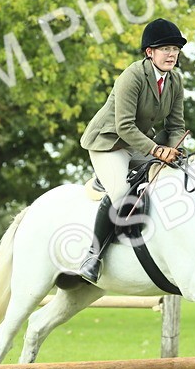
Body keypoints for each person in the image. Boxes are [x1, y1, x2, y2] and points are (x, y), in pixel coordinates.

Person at [75, 18, 188, 283]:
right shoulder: (132, 76)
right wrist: (158, 152)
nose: (172, 54)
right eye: (165, 49)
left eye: (175, 49)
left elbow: (176, 125)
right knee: (120, 193)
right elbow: (124, 126)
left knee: (180, 174)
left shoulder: (175, 80)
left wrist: (171, 151)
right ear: (150, 52)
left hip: (139, 145)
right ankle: (93, 256)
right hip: (109, 142)